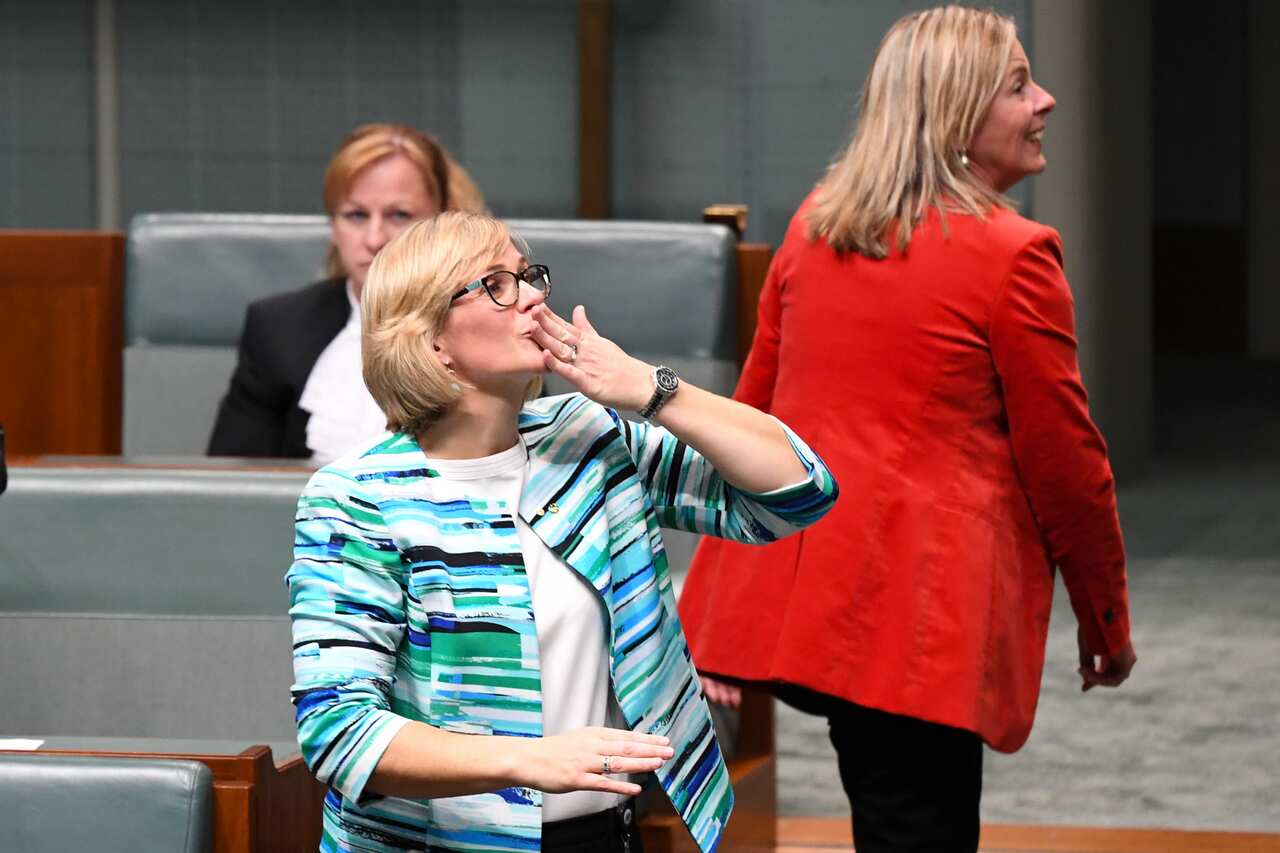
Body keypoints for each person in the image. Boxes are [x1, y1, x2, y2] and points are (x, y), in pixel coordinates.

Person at [677, 6, 1137, 852]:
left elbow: (750, 417)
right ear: (958, 116)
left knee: (886, 804)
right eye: (1017, 86)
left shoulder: (819, 223)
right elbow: (1067, 464)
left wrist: (713, 612)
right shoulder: (1014, 254)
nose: (1047, 100)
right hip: (922, 621)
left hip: (815, 603)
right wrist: (1106, 619)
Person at [286, 211, 838, 852]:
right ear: (431, 339)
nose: (534, 295)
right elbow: (338, 732)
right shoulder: (358, 498)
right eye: (496, 284)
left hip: (602, 834)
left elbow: (796, 494)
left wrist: (652, 390)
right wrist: (526, 760)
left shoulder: (585, 439)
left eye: (528, 276)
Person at [208, 123, 486, 461]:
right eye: (355, 215)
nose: (373, 240)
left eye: (399, 215)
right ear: (333, 226)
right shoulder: (278, 328)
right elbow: (231, 483)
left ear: (442, 220)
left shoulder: (494, 321)